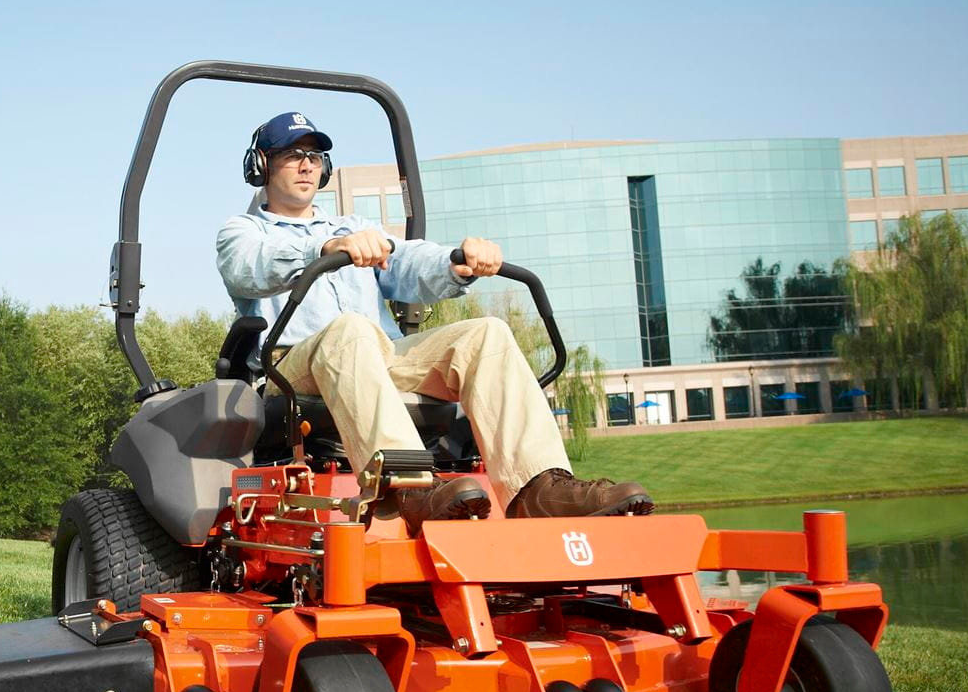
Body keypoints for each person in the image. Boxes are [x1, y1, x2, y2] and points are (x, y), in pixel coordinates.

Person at [215, 111, 651, 524]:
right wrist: (323, 250)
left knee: (486, 334)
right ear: (262, 165)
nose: (306, 165)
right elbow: (249, 267)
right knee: (350, 331)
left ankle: (537, 489)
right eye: (293, 155)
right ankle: (410, 489)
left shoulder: (355, 225)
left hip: (377, 358)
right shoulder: (244, 231)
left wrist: (456, 263)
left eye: (314, 156)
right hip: (290, 368)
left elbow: (408, 260)